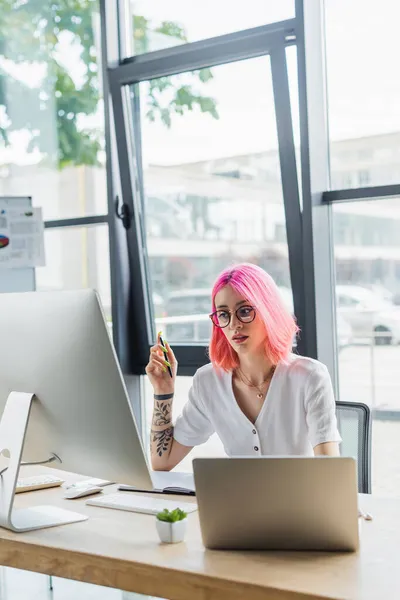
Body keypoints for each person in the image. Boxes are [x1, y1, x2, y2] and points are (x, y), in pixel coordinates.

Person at [146, 263, 341, 471]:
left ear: (269, 310)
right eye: (223, 314)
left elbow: (329, 470)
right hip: (236, 501)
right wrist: (163, 391)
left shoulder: (309, 376)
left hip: (297, 502)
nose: (234, 324)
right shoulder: (208, 382)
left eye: (245, 311)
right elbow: (162, 461)